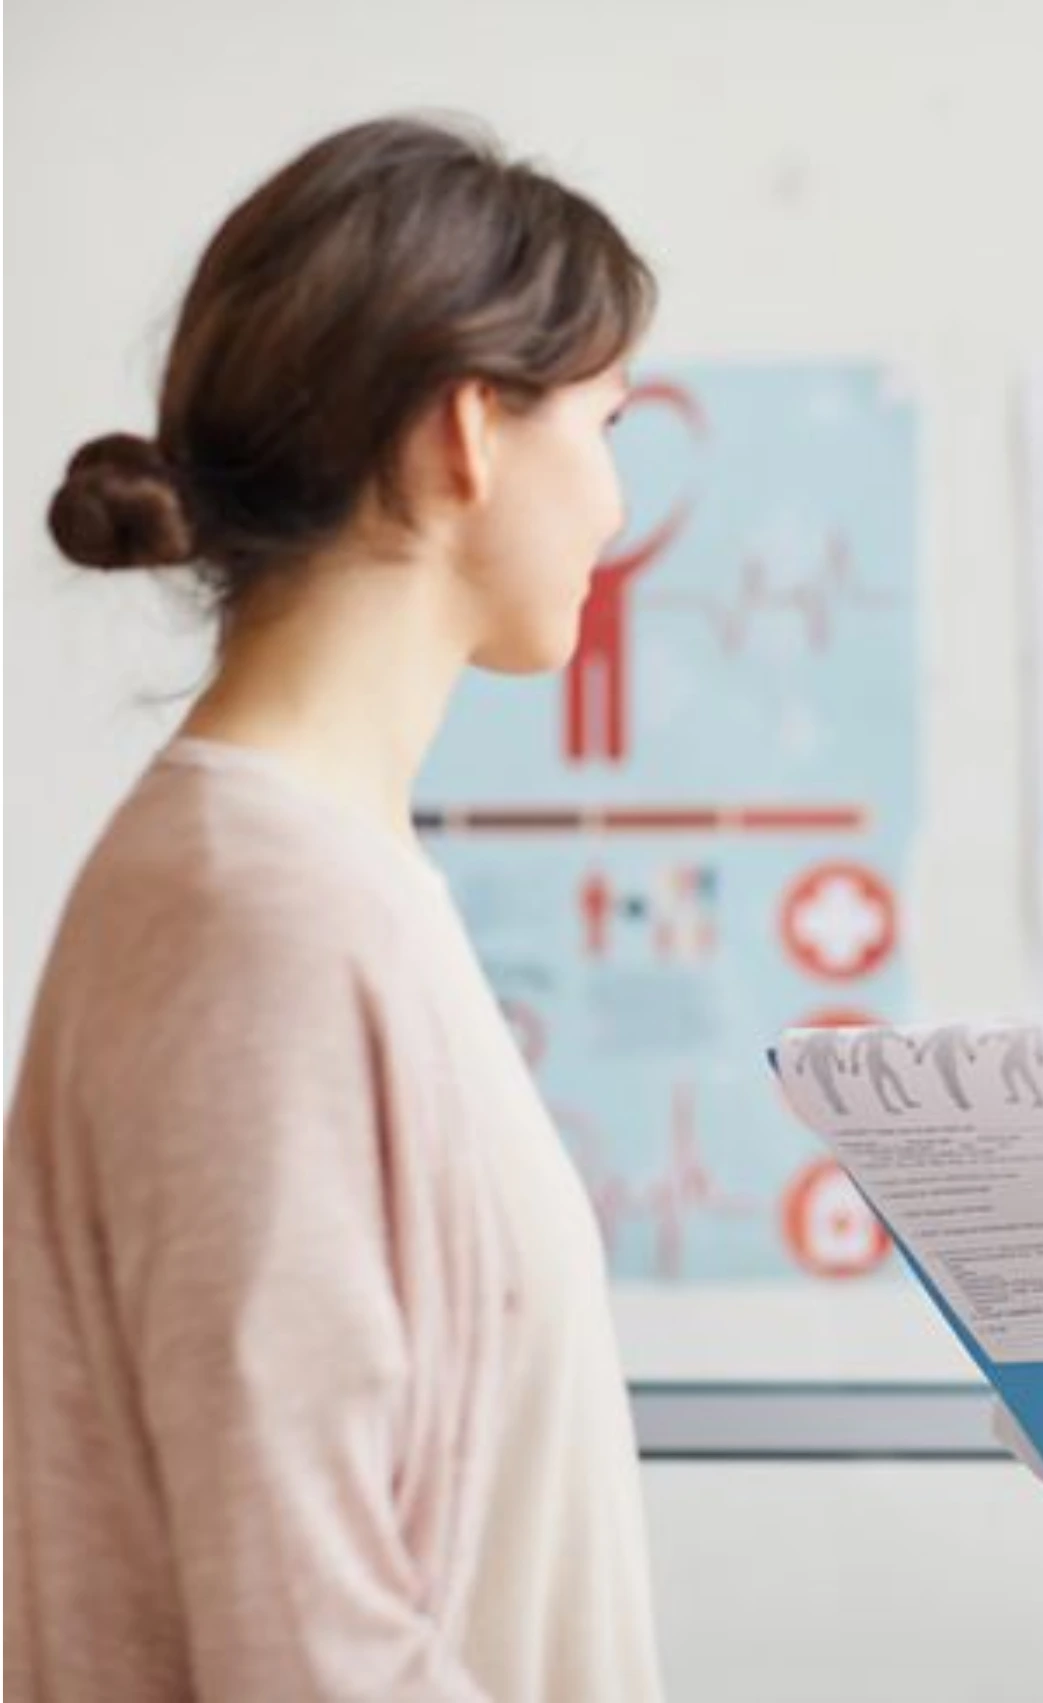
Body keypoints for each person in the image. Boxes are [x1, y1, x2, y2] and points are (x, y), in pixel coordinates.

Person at [5, 116, 665, 1700]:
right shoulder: (258, 921)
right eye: (606, 420)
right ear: (469, 433)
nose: (616, 502)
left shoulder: (314, 880)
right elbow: (304, 1633)